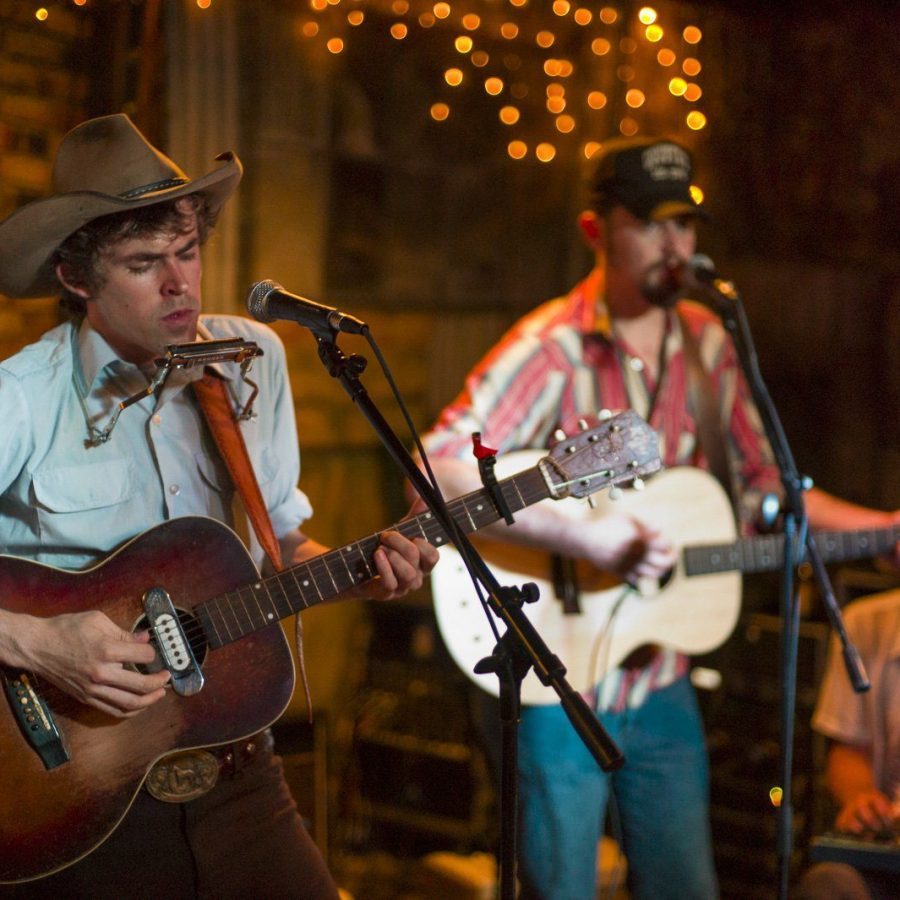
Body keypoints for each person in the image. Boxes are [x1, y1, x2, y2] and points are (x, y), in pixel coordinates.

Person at [417, 135, 900, 900]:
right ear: (594, 231)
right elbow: (432, 470)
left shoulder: (710, 345)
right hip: (558, 679)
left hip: (663, 682)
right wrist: (587, 537)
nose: (674, 244)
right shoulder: (552, 347)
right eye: (650, 223)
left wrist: (885, 527)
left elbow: (767, 497)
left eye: (684, 224)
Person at [0, 114, 438, 899]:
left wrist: (363, 569)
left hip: (237, 769)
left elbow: (283, 546)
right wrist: (39, 642)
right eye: (143, 263)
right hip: (71, 790)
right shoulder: (22, 400)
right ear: (75, 276)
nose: (180, 285)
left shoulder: (252, 361)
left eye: (187, 251)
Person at [797, 588, 899, 900]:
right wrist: (862, 800)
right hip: (891, 846)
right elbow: (848, 749)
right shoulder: (866, 622)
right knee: (829, 884)